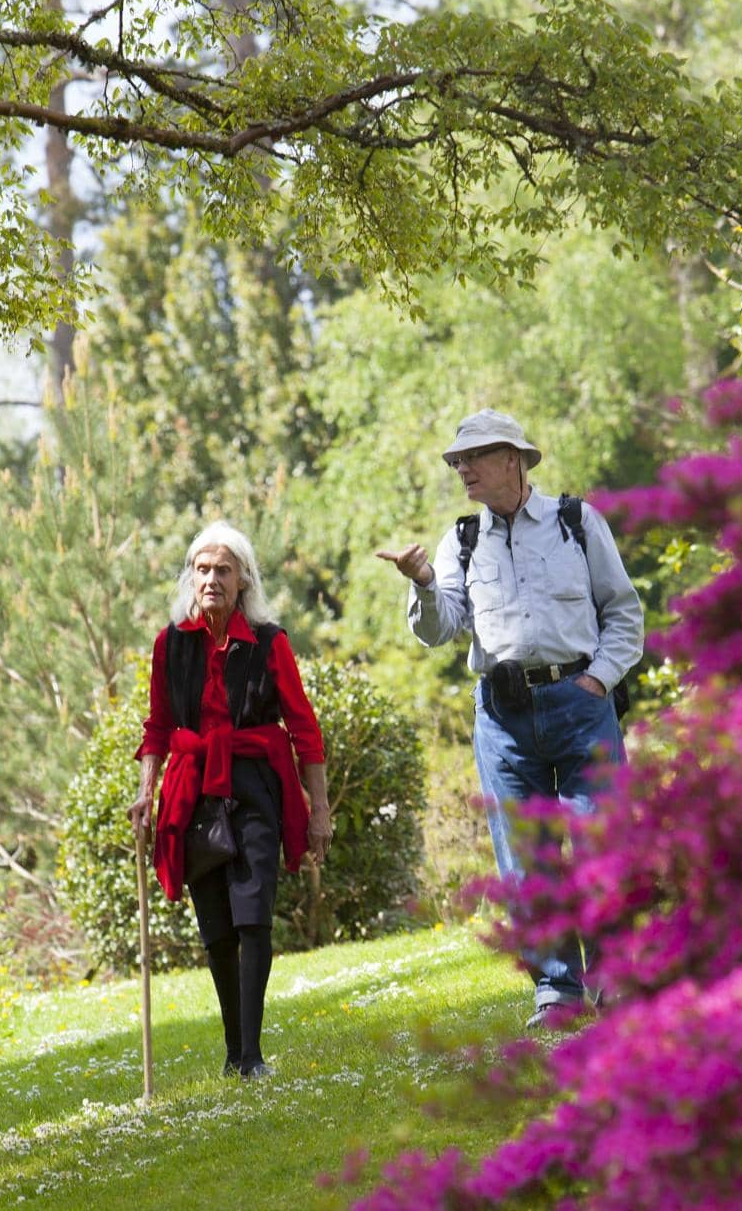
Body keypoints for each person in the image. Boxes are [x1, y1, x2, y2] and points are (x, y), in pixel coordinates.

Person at [378, 409, 643, 1027]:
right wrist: (420, 583)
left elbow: (624, 614)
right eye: (456, 461)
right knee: (527, 860)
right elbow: (441, 628)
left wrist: (596, 681)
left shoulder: (577, 522)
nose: (461, 468)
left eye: (473, 457)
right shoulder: (461, 540)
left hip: (582, 704)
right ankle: (555, 991)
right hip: (502, 716)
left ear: (513, 460)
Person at [128, 521, 332, 1079]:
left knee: (252, 920)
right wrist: (147, 793)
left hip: (256, 788)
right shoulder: (170, 644)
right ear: (190, 578)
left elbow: (304, 728)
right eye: (202, 569)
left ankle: (252, 1055)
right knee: (216, 929)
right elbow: (158, 727)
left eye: (223, 570)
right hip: (193, 791)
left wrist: (320, 809)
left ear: (243, 580)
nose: (211, 579)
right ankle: (232, 1051)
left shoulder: (270, 642)